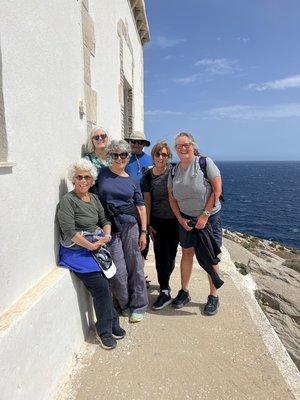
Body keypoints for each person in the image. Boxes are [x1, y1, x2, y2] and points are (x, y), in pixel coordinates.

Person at [57, 158, 126, 350]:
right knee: (101, 286)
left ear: (92, 180)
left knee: (109, 280)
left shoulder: (93, 199)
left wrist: (106, 235)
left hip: (95, 246)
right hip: (76, 251)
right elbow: (70, 232)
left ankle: (112, 321)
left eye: (87, 177)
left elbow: (104, 219)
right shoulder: (68, 201)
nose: (83, 181)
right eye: (79, 177)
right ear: (73, 179)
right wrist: (91, 245)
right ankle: (104, 331)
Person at [168, 132, 223, 316]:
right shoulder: (174, 170)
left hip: (209, 218)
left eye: (187, 144)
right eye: (179, 145)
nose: (183, 148)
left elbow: (217, 190)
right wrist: (180, 219)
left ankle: (213, 295)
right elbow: (172, 198)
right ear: (175, 149)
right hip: (186, 219)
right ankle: (184, 292)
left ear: (193, 145)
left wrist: (205, 216)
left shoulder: (205, 163)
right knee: (187, 253)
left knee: (211, 254)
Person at [97, 140, 149, 323]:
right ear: (110, 156)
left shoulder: (133, 181)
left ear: (128, 157)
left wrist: (143, 232)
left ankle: (139, 305)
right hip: (109, 227)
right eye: (115, 155)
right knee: (118, 269)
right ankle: (125, 304)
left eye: (123, 155)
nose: (119, 158)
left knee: (135, 265)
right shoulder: (101, 175)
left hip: (130, 226)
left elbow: (141, 208)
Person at [141, 141, 179, 310]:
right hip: (158, 221)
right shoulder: (148, 176)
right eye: (158, 154)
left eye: (164, 154)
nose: (161, 157)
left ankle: (166, 282)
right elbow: (147, 201)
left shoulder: (174, 172)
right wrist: (148, 224)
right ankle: (164, 291)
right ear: (153, 156)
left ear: (169, 156)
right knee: (160, 256)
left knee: (170, 257)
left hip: (175, 221)